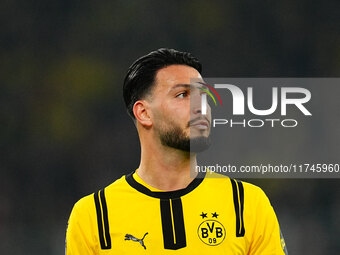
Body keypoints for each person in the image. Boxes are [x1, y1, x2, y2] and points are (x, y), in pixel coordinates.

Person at [66, 48, 288, 254]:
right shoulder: (93, 216)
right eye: (182, 95)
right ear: (143, 113)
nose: (201, 106)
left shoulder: (246, 204)